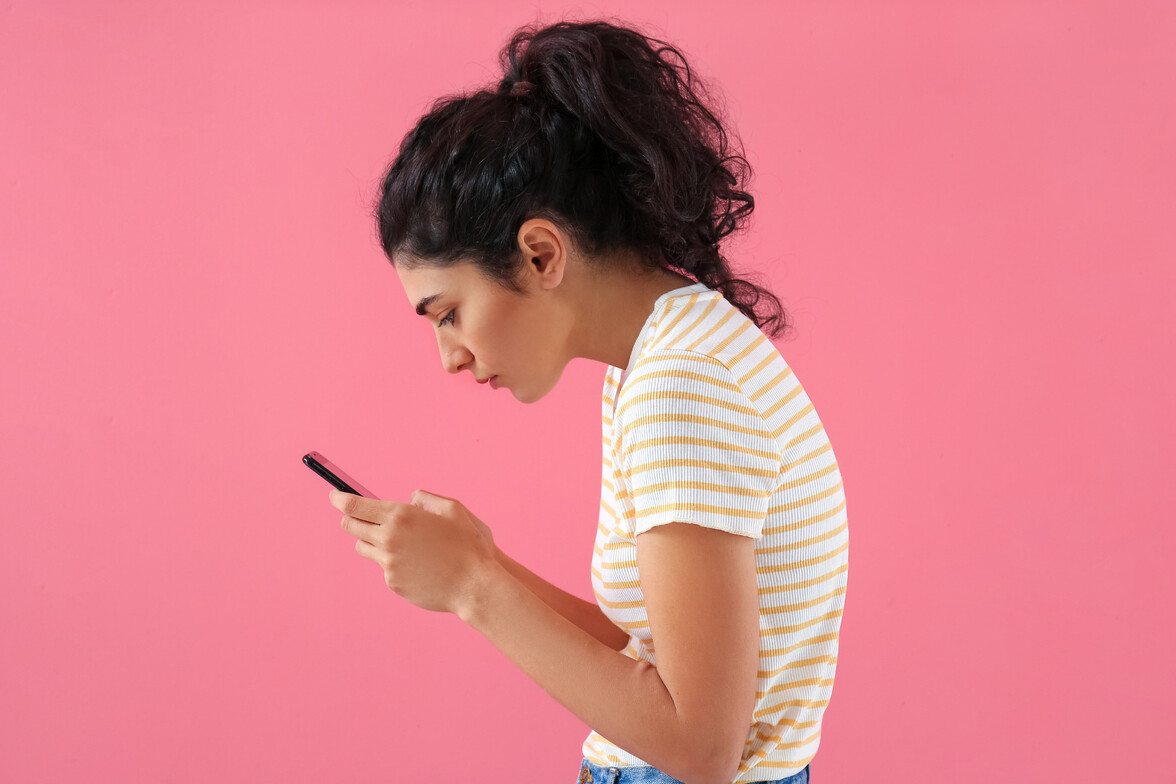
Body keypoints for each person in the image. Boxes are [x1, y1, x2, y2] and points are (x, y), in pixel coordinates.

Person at [328, 19, 849, 784]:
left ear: (541, 254)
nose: (450, 356)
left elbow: (701, 745)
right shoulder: (672, 347)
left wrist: (475, 590)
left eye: (448, 313)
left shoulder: (681, 386)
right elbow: (648, 653)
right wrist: (482, 564)